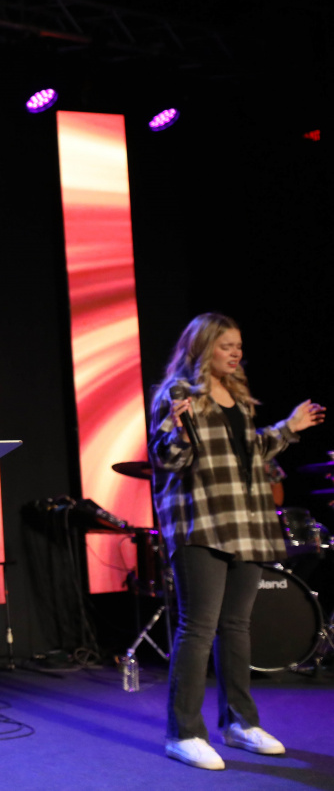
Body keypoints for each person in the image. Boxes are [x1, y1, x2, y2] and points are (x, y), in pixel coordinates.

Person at [149, 312, 324, 771]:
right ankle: (183, 733)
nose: (236, 353)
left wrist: (290, 427)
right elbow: (168, 460)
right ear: (203, 347)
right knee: (198, 627)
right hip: (201, 520)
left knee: (237, 626)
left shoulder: (239, 398)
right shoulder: (178, 394)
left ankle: (240, 724)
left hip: (246, 522)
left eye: (239, 346)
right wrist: (176, 428)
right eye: (226, 345)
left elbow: (253, 454)